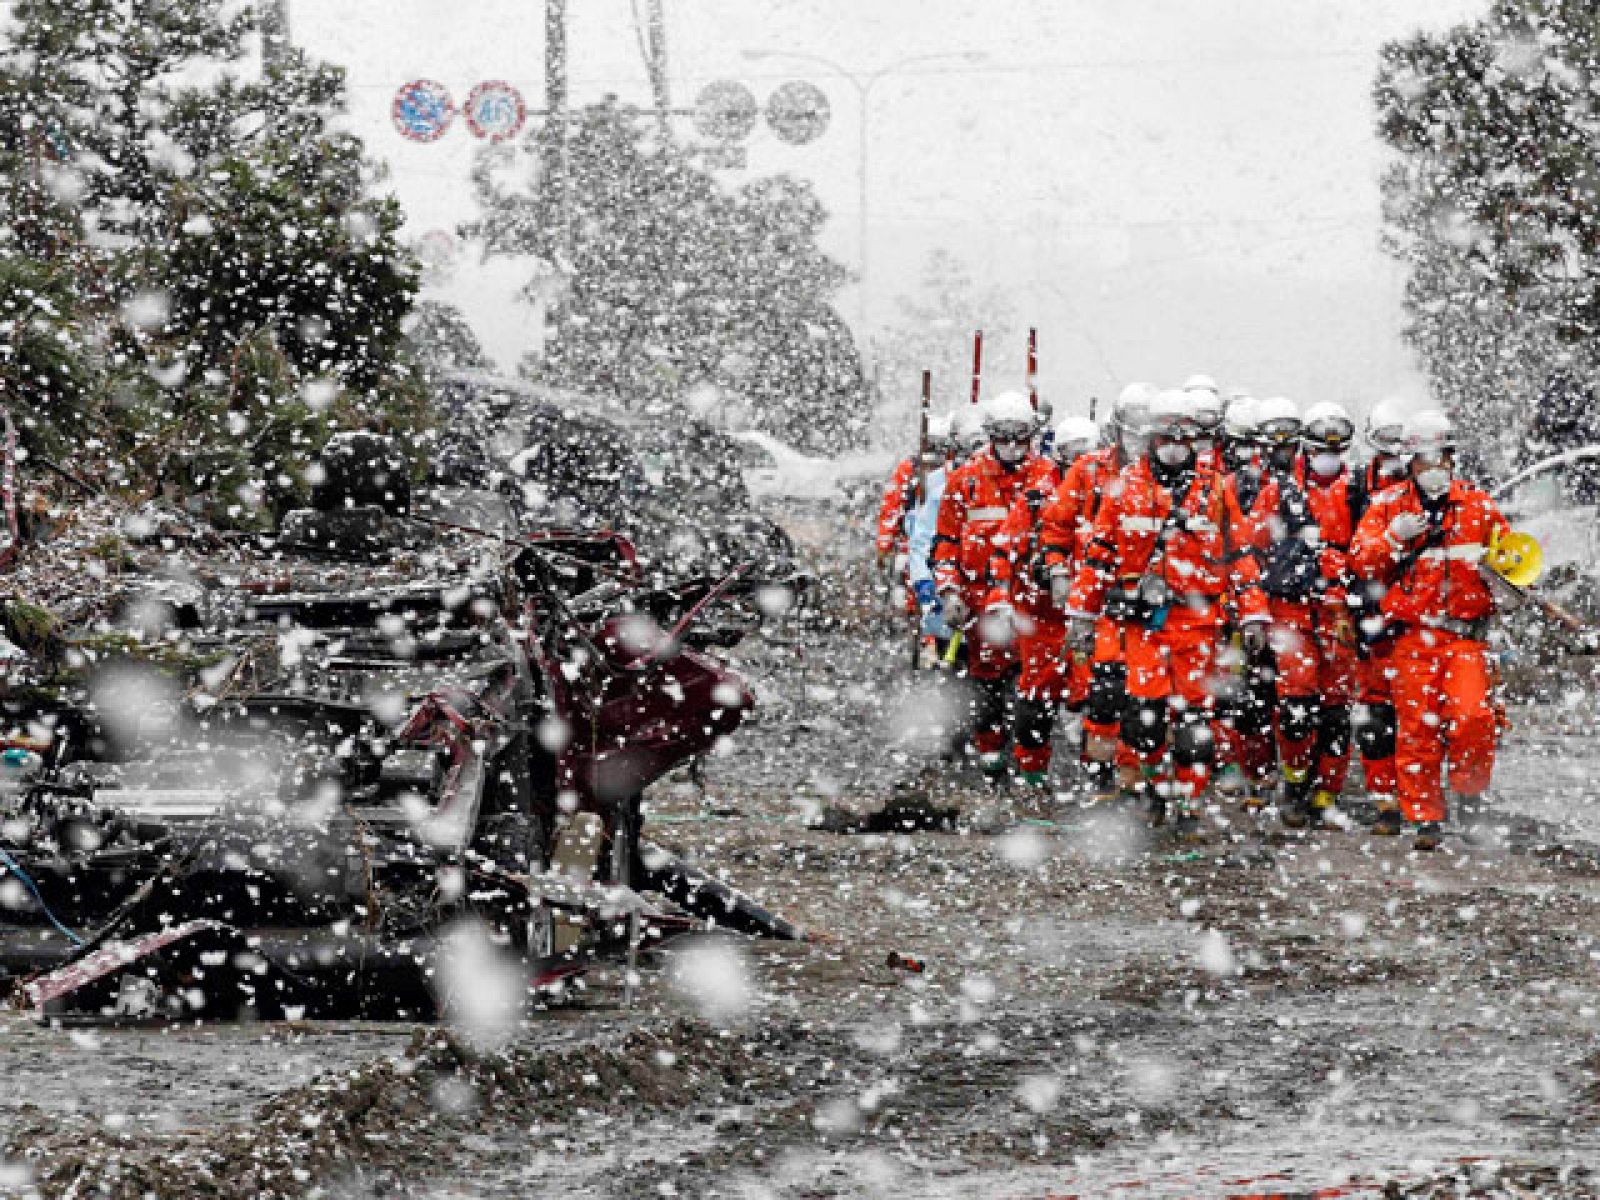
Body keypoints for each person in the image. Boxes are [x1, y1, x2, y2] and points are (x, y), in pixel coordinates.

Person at [1064, 389, 1270, 840]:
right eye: (1166, 437)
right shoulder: (1126, 487)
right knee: (1145, 718)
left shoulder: (1216, 490)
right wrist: (1081, 612)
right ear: (1151, 438)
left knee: (1194, 724)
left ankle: (1190, 804)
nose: (1175, 446)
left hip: (1197, 623)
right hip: (1143, 623)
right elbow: (1099, 554)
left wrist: (1253, 613)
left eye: (1183, 438)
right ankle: (1154, 789)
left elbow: (1240, 556)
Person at [1349, 409, 1509, 851]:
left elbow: (1512, 560)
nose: (1434, 466)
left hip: (1464, 637)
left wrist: (1507, 577)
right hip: (1411, 638)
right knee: (1416, 730)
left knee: (1473, 718)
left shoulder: (1478, 505)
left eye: (1441, 457)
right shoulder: (1388, 506)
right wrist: (1392, 539)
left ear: (1452, 458)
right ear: (1410, 462)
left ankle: (1470, 794)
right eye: (1425, 458)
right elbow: (1361, 562)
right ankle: (1425, 819)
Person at [1040, 383, 1156, 798]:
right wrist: (1059, 572)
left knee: (1143, 697)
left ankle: (1132, 775)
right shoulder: (1089, 471)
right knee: (1103, 690)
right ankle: (1099, 773)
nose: (1139, 443)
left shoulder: (1168, 480)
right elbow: (1057, 525)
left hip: (1151, 604)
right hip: (1098, 596)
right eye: (1132, 433)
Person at [1258, 400, 1364, 828]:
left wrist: (1344, 583)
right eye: (1321, 449)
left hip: (1340, 613)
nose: (1328, 459)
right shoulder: (1280, 490)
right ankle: (1295, 781)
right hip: (1292, 610)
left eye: (1336, 451)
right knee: (1296, 706)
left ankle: (1328, 792)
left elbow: (1369, 550)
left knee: (1337, 711)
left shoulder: (1358, 491)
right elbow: (1253, 548)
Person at [932, 391, 1048, 779]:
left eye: (1020, 437)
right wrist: (949, 592)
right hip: (980, 601)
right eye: (1004, 437)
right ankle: (991, 757)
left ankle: (1034, 766)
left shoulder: (1049, 478)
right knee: (987, 686)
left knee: (1037, 686)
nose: (1012, 446)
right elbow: (945, 543)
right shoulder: (965, 481)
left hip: (1035, 602)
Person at [986, 414, 1100, 786]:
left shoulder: (1110, 495)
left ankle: (1099, 778)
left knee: (1097, 699)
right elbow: (1004, 549)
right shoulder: (1037, 497)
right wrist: (1001, 595)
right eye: (1072, 453)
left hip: (1091, 616)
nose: (1079, 462)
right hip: (1041, 617)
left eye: (1086, 453)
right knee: (1036, 700)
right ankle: (1032, 775)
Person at [1212, 395, 1279, 809]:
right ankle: (1226, 763)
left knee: (1262, 691)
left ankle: (1258, 767)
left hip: (1267, 597)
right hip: (1221, 598)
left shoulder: (1281, 485)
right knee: (1222, 688)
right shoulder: (1211, 484)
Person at [1350, 397, 1411, 833]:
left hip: (1420, 612)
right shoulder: (1355, 488)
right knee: (1376, 712)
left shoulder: (1435, 492)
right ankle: (1386, 799)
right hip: (1370, 609)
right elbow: (1344, 550)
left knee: (1420, 712)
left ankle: (1420, 795)